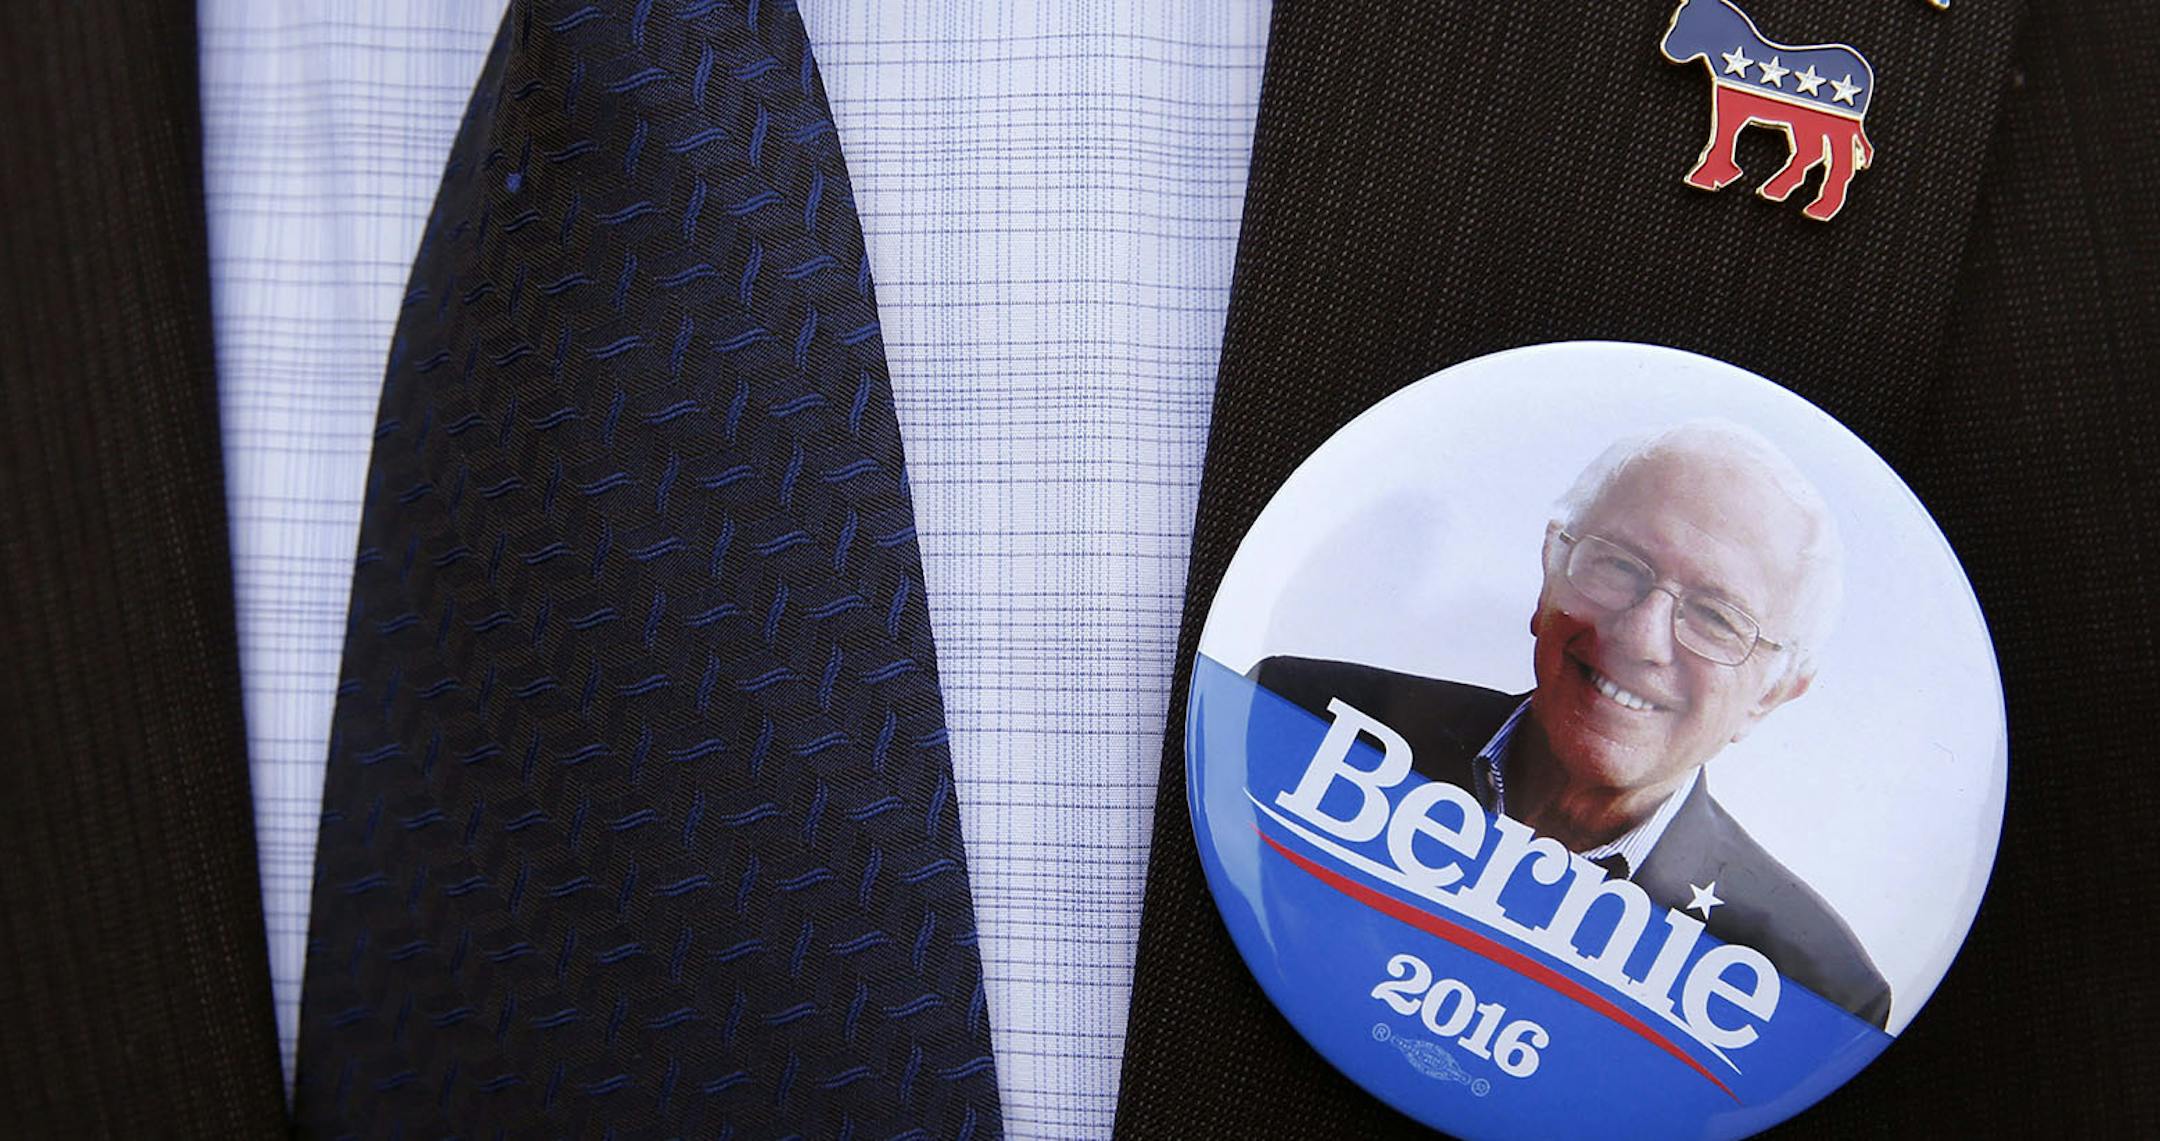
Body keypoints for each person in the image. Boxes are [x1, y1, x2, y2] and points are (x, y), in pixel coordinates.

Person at [1254, 419, 1893, 1028]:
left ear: (1774, 694)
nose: (1638, 639)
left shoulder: (1816, 995)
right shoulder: (1295, 715)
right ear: (1549, 575)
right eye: (1619, 566)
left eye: (1718, 617)